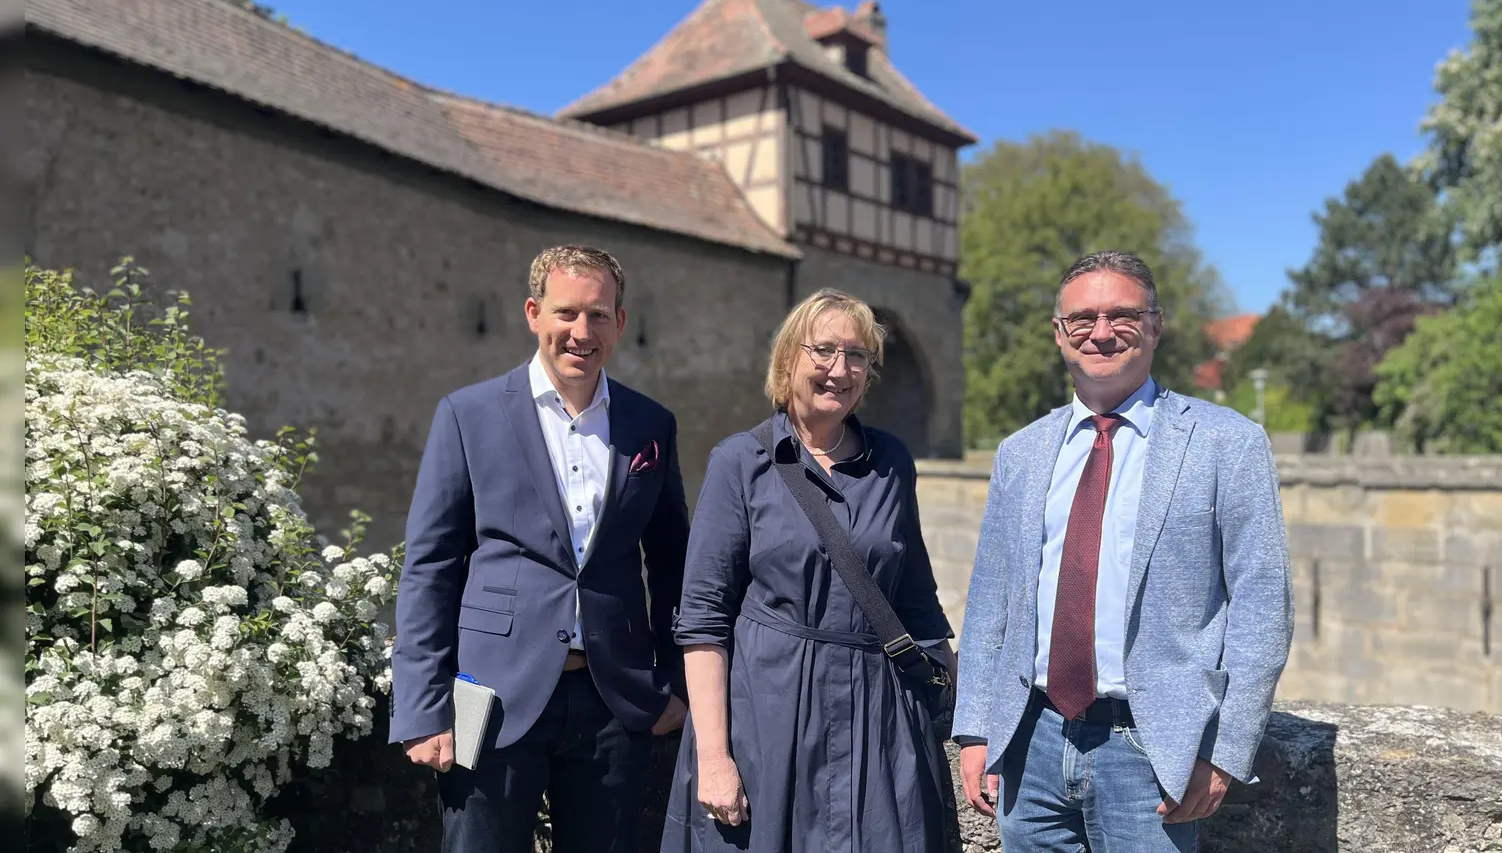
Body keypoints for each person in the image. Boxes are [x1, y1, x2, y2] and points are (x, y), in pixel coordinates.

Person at [951, 250, 1293, 853]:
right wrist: (977, 728)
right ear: (1060, 334)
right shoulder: (1021, 453)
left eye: (1123, 315)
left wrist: (1224, 751)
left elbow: (1262, 608)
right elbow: (990, 603)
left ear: (1155, 326)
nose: (1102, 333)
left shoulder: (1227, 444)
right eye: (1082, 319)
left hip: (1151, 752)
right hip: (1029, 742)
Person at [389, 243, 691, 853]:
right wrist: (422, 708)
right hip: (493, 696)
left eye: (599, 314)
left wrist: (677, 681)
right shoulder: (468, 414)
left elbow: (673, 562)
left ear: (620, 322)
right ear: (533, 313)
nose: (583, 331)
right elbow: (430, 567)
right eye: (566, 313)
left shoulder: (649, 424)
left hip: (615, 701)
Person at [659, 288, 958, 853]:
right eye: (823, 350)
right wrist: (714, 757)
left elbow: (916, 598)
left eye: (857, 356)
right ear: (788, 357)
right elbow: (703, 619)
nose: (838, 369)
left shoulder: (891, 461)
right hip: (767, 716)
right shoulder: (739, 461)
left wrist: (964, 723)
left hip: (878, 714)